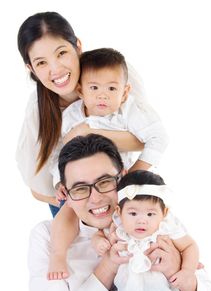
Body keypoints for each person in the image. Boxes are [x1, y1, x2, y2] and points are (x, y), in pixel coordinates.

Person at [28, 134, 211, 291]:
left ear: (121, 178)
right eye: (80, 189)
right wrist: (108, 267)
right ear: (67, 194)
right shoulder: (48, 238)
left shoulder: (157, 224)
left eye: (104, 182)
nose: (95, 198)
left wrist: (180, 272)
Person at [16, 11, 167, 218]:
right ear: (30, 68)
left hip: (115, 185)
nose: (56, 69)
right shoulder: (39, 111)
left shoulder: (111, 72)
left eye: (61, 53)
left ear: (77, 45)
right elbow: (38, 187)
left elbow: (146, 136)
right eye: (41, 63)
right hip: (72, 199)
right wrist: (73, 197)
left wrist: (85, 133)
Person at [48, 47, 168, 279]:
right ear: (81, 90)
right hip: (82, 181)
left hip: (116, 181)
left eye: (112, 89)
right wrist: (58, 180)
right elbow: (57, 154)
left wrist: (133, 175)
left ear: (125, 92)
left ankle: (152, 256)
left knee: (137, 213)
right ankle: (58, 254)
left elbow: (159, 138)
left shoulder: (128, 111)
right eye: (94, 88)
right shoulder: (71, 117)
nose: (102, 96)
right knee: (67, 211)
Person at [84, 170, 201, 291]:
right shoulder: (119, 228)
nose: (141, 221)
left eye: (150, 214)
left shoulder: (166, 229)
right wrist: (98, 241)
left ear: (164, 213)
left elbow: (190, 246)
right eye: (133, 213)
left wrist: (187, 271)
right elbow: (99, 233)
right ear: (119, 212)